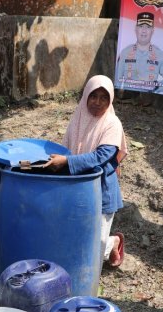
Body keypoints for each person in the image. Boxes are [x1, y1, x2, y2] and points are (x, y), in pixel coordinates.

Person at [43, 75, 127, 268]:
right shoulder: (78, 118)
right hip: (78, 189)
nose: (97, 102)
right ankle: (111, 243)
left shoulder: (112, 123)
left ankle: (112, 243)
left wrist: (66, 161)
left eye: (104, 98)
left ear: (110, 100)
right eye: (93, 96)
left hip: (101, 191)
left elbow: (101, 156)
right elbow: (66, 149)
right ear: (85, 97)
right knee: (79, 241)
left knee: (94, 248)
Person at [114, 11, 163, 93]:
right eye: (141, 26)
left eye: (148, 27)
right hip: (127, 100)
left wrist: (156, 87)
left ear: (152, 30)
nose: (144, 30)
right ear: (136, 29)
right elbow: (117, 81)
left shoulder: (159, 54)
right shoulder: (125, 52)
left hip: (149, 100)